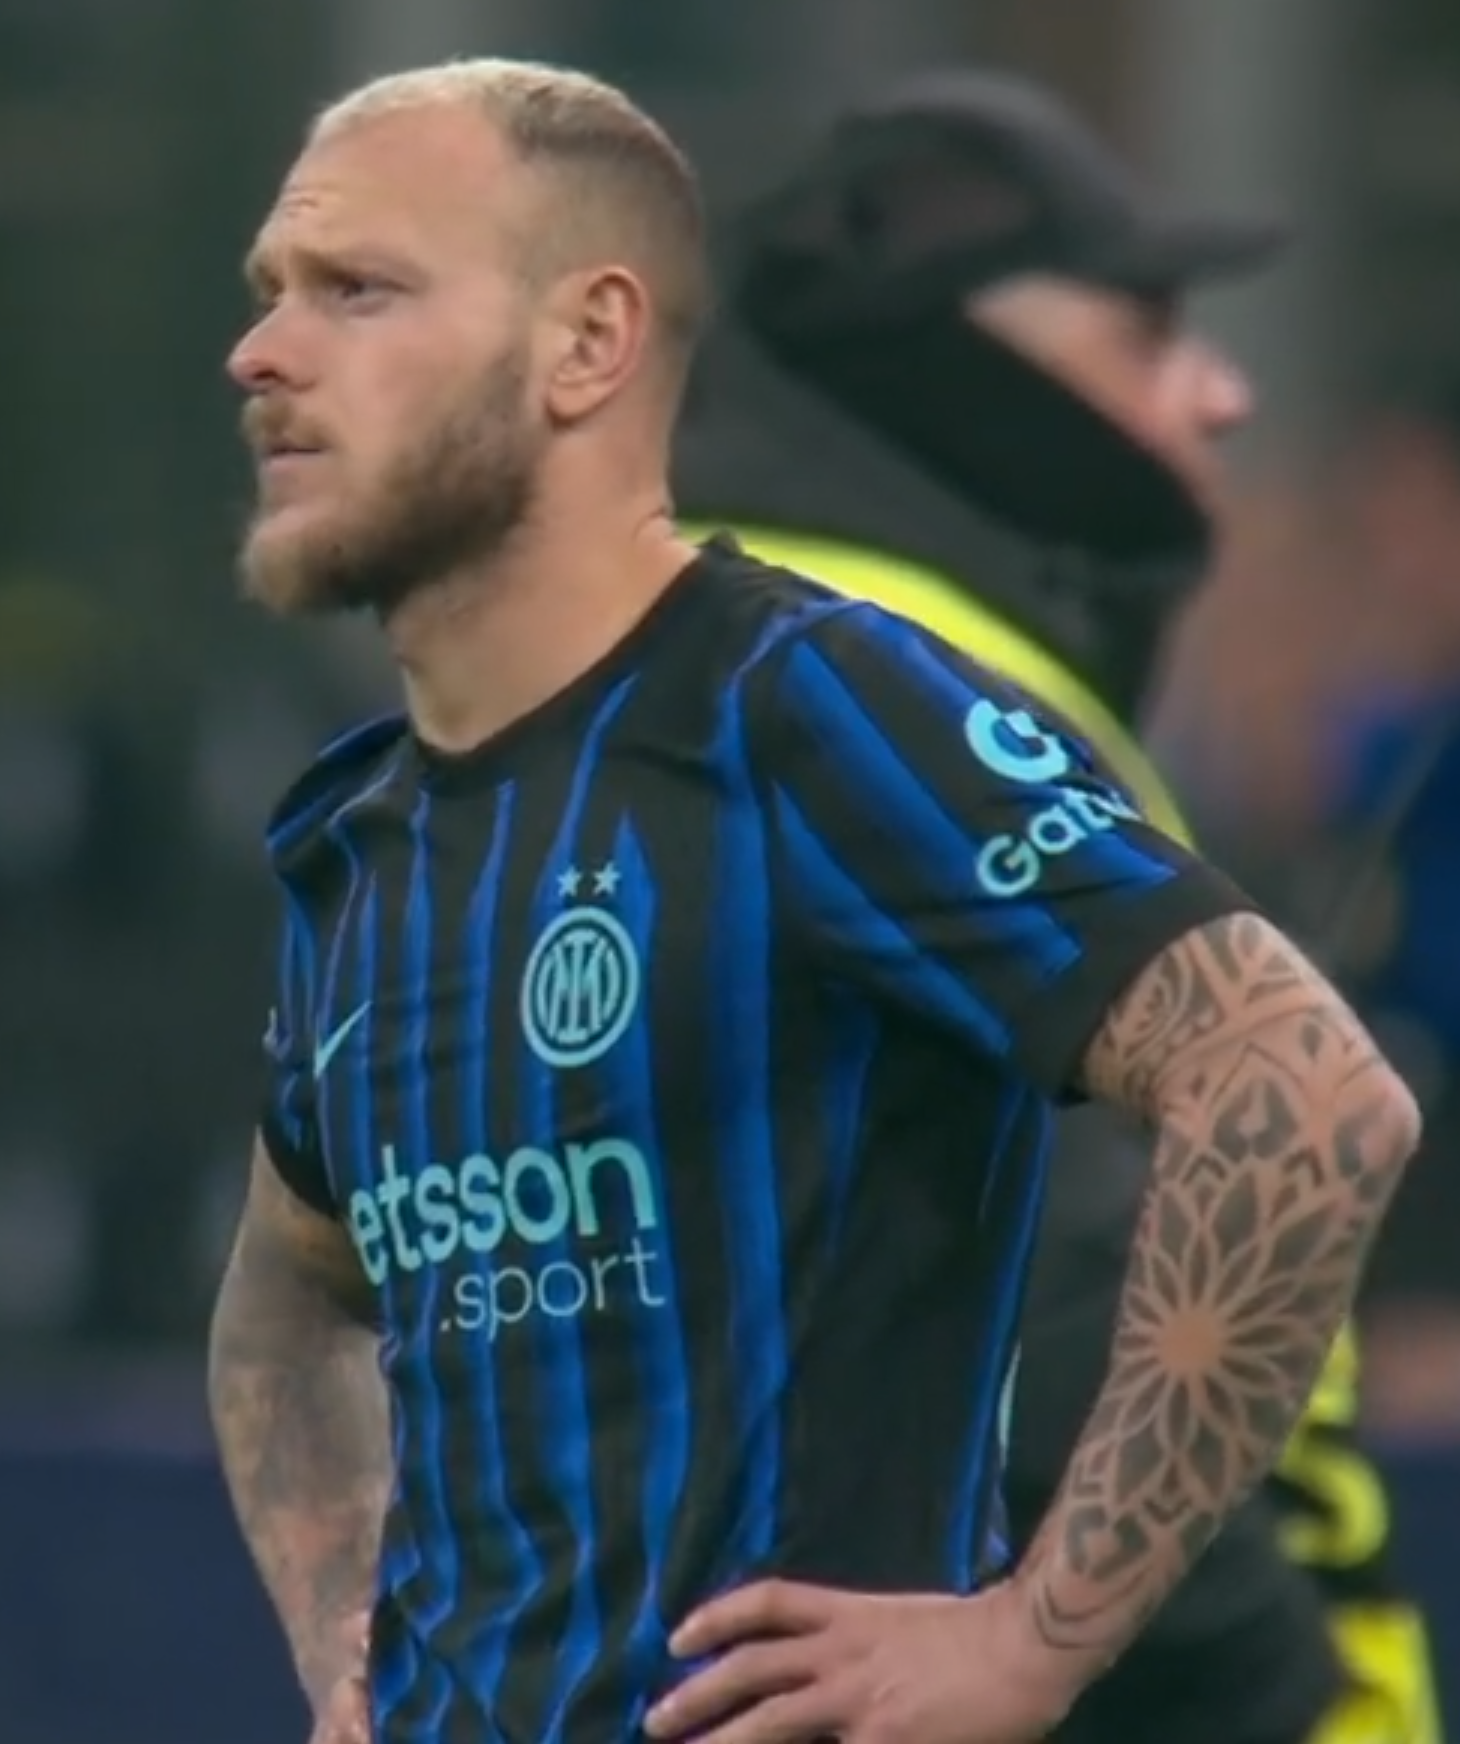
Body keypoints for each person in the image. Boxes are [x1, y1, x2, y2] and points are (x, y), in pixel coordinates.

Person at [206, 57, 1420, 1744]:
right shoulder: (363, 832)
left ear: (588, 342)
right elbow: (285, 1299)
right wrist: (352, 1643)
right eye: (271, 290)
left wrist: (1034, 1640)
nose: (262, 352)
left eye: (357, 290)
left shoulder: (799, 707)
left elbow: (1305, 1094)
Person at [673, 69, 1445, 1744]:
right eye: (1148, 334)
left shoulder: (692, 651)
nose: (1223, 394)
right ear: (965, 368)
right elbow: (1069, 1303)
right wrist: (1266, 1691)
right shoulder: (890, 685)